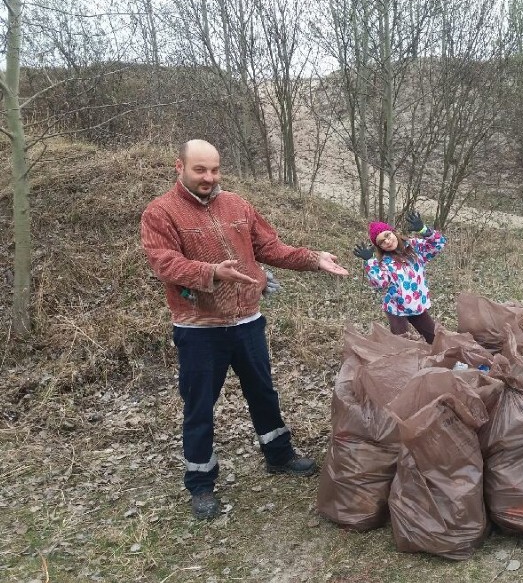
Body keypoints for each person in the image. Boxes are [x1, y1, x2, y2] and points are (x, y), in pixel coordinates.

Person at [141, 139, 349, 520]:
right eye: (200, 169)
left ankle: (279, 453)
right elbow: (163, 263)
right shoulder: (161, 212)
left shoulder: (237, 204)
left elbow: (270, 247)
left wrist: (313, 258)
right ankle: (201, 483)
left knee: (262, 391)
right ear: (180, 167)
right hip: (199, 327)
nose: (209, 177)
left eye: (215, 169)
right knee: (200, 405)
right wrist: (210, 273)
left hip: (247, 320)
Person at [353, 211, 446, 344]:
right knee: (401, 345)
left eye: (387, 235)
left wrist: (424, 230)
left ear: (393, 232)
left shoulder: (414, 247)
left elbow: (438, 244)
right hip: (396, 308)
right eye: (382, 242)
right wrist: (369, 261)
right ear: (379, 247)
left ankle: (449, 362)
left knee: (436, 340)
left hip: (416, 305)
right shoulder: (384, 262)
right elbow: (381, 283)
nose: (387, 241)